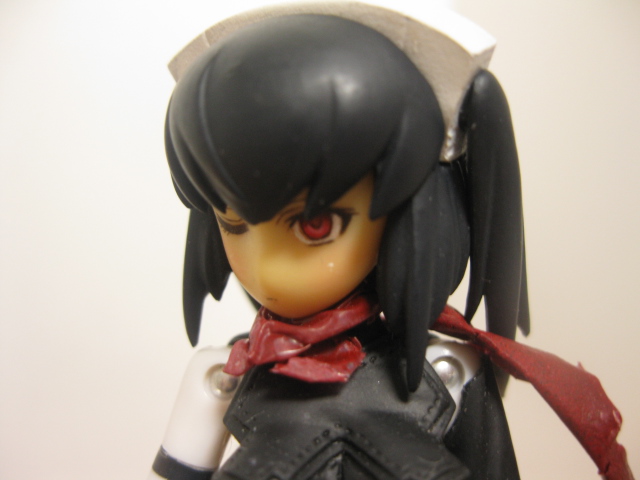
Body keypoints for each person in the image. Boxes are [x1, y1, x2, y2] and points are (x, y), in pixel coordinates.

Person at [154, 5, 532, 480]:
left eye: (315, 226)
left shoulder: (451, 374)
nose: (266, 268)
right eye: (233, 223)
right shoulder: (224, 375)